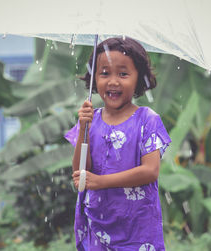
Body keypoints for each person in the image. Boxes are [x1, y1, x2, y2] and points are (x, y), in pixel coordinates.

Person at [65, 37, 171, 250]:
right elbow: (80, 172)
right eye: (104, 73)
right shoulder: (90, 120)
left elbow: (150, 171)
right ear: (94, 78)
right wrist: (84, 127)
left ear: (139, 79)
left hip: (137, 229)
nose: (113, 81)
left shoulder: (147, 119)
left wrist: (100, 182)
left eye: (123, 74)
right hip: (97, 223)